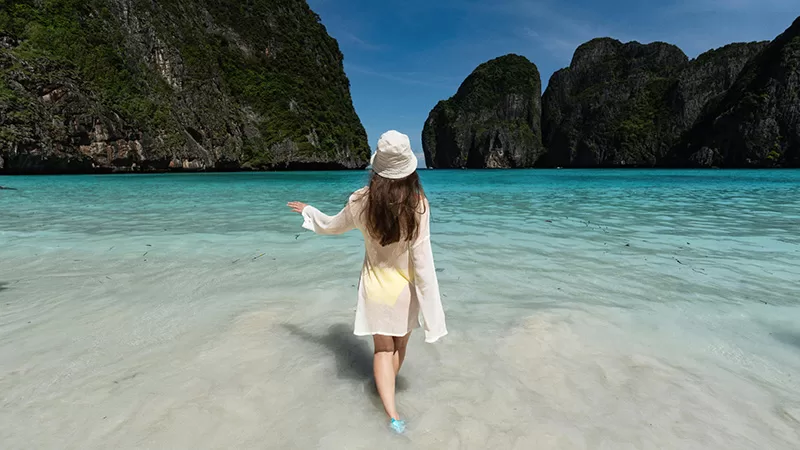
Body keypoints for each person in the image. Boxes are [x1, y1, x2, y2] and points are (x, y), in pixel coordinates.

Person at [287, 130, 447, 434]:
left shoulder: (361, 200)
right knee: (399, 347)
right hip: (405, 289)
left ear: (378, 169)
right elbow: (423, 261)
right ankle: (385, 393)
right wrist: (432, 311)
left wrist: (309, 211)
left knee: (382, 350)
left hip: (376, 290)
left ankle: (392, 414)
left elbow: (332, 226)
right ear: (410, 170)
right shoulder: (419, 205)